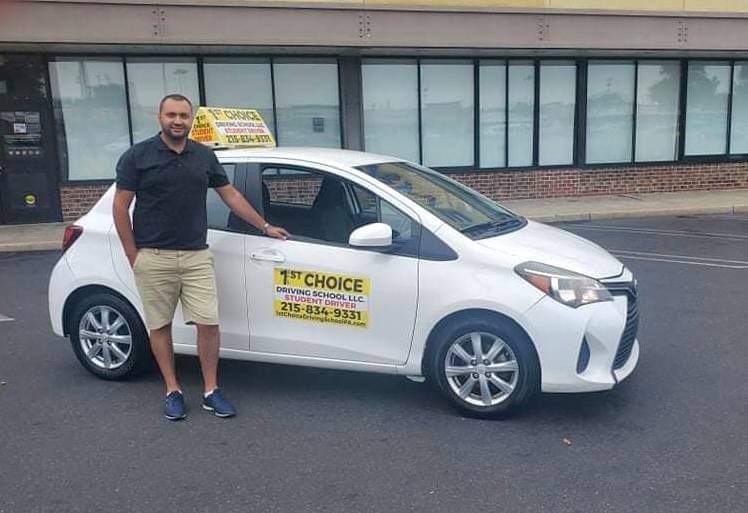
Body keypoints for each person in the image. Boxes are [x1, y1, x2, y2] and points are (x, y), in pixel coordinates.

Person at [112, 93, 289, 421]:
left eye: (183, 115)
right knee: (160, 325)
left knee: (208, 323)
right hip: (153, 255)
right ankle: (172, 390)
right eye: (171, 115)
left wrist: (265, 226)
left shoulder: (204, 156)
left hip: (196, 255)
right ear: (160, 117)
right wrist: (132, 254)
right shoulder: (138, 156)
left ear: (191, 119)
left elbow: (230, 194)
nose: (178, 121)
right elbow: (120, 205)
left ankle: (210, 390)